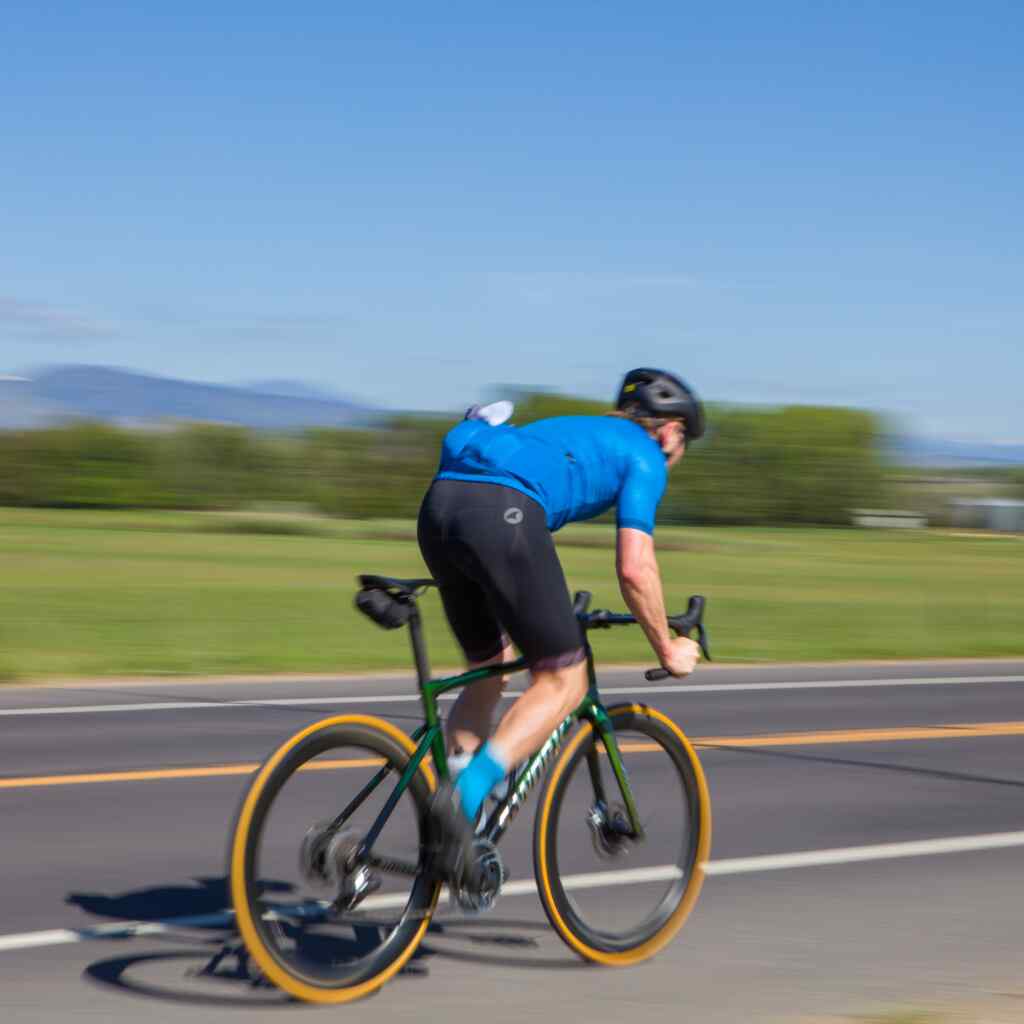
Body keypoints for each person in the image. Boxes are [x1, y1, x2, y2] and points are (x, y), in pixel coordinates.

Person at [416, 368, 705, 889]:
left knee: (490, 669)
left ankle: (458, 828)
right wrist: (667, 646)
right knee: (564, 681)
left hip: (439, 507)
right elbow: (635, 568)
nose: (680, 451)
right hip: (501, 514)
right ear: (669, 430)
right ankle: (463, 797)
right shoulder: (645, 455)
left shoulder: (574, 430)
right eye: (684, 438)